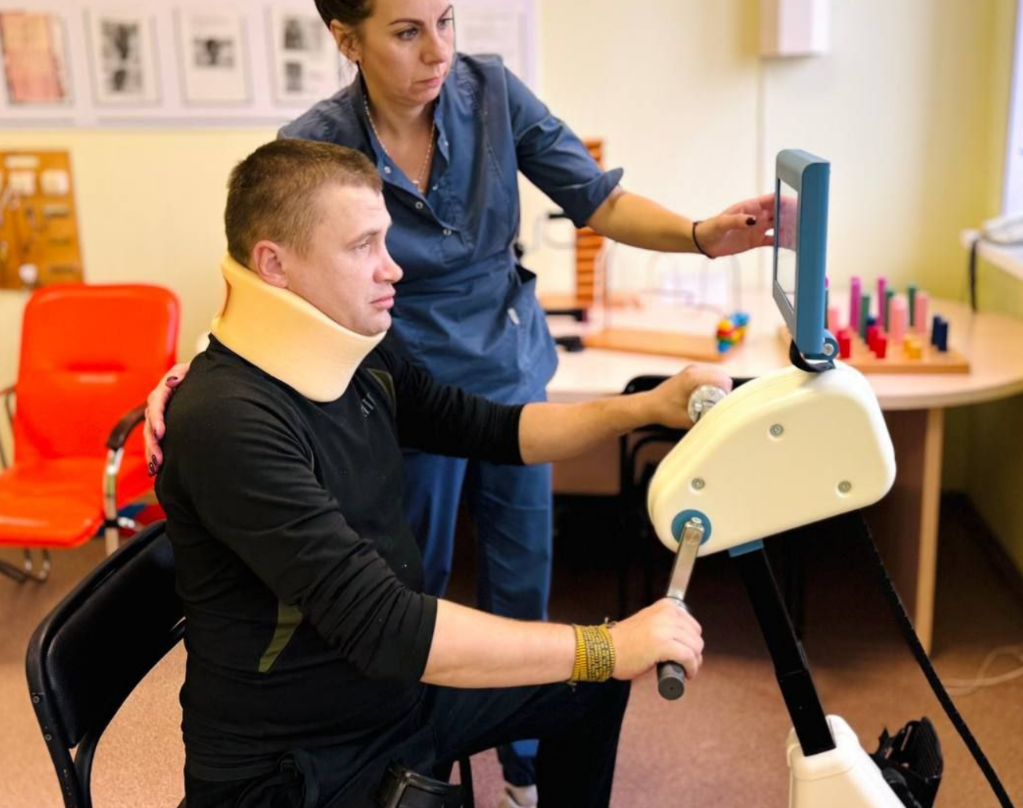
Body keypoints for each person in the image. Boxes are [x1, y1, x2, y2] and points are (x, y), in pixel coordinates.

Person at [145, 1, 773, 800]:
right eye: (407, 30)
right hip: (312, 736)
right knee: (416, 586)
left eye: (445, 20)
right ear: (347, 40)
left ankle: (520, 776)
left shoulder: (374, 344)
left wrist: (645, 402)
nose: (437, 50)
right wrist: (606, 645)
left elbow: (496, 425)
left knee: (529, 611)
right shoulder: (240, 407)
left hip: (454, 395)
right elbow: (389, 622)